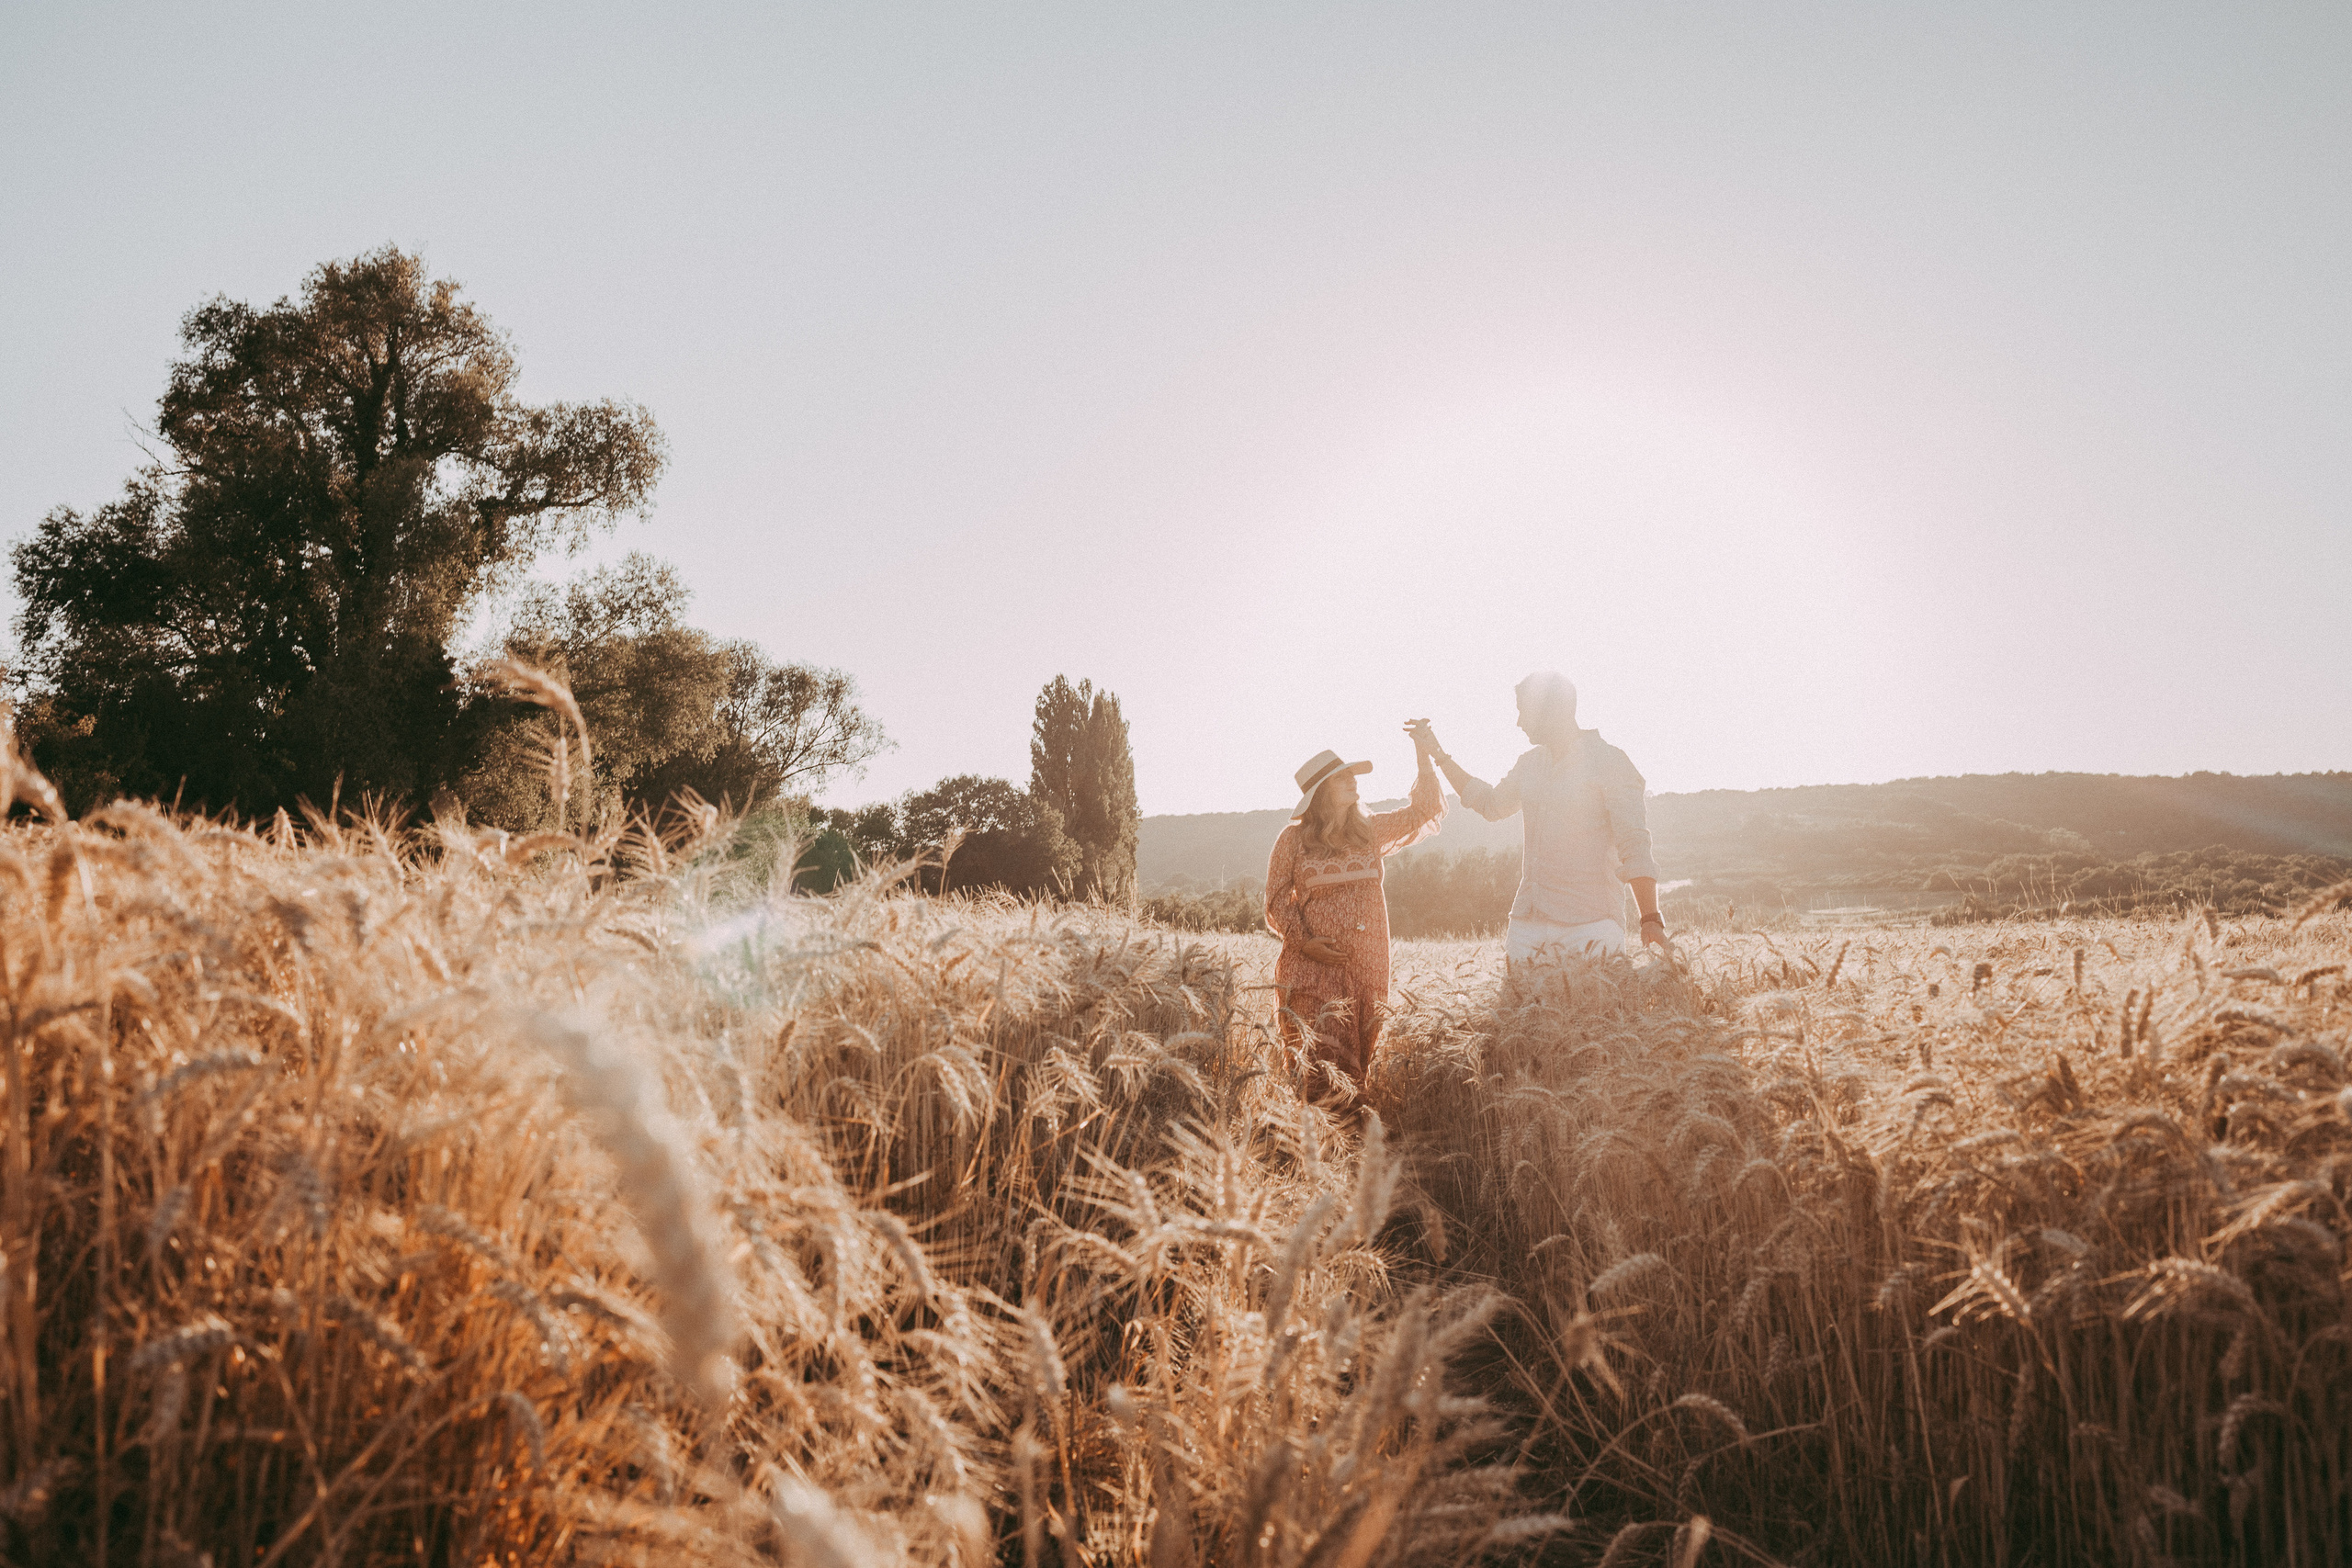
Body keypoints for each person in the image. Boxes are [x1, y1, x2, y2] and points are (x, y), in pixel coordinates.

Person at [1409, 671, 1666, 965]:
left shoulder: (1610, 762)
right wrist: (1438, 753)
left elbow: (1633, 842)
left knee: (1592, 1011)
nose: (1518, 722)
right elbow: (1490, 804)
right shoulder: (1529, 764)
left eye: (1523, 711)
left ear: (1552, 710)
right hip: (1526, 927)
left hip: (1589, 926)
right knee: (1517, 1012)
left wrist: (1650, 918)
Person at [1263, 731, 1445, 1105]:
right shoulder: (1292, 841)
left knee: (1355, 1065)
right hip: (1309, 967)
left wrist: (1423, 752)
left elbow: (1425, 808)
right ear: (1321, 791)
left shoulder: (1370, 831)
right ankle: (1311, 1144)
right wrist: (1306, 943)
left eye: (1354, 775)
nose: (1354, 781)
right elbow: (1277, 900)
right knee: (1315, 1064)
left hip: (1367, 967)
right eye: (1343, 777)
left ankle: (1351, 1149)